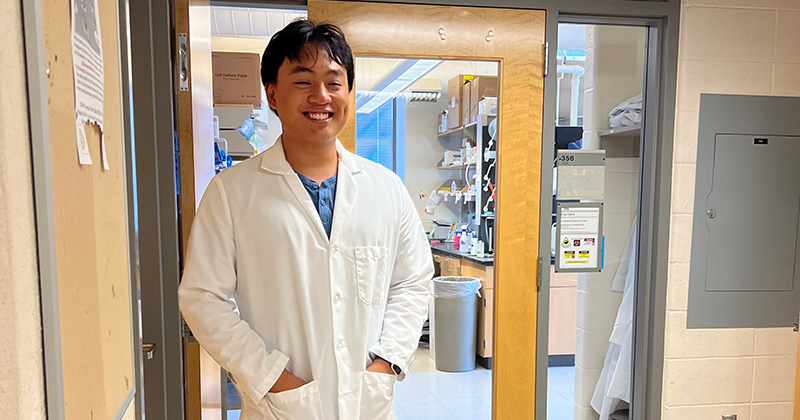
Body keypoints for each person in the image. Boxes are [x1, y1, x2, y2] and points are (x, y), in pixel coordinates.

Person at [178, 19, 434, 420]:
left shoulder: (387, 188)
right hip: (281, 406)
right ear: (273, 94)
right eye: (303, 81)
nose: (321, 96)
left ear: (349, 91)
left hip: (367, 403)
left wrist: (386, 363)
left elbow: (413, 282)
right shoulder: (231, 192)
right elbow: (202, 298)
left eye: (334, 82)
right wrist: (272, 376)